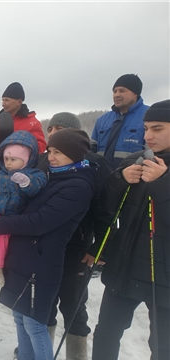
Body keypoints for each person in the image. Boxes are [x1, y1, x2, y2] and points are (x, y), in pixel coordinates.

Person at [0, 128, 95, 360]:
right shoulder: (51, 175)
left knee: (34, 324)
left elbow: (40, 222)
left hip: (41, 263)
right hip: (23, 257)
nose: (51, 157)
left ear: (75, 155)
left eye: (59, 152)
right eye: (50, 151)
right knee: (19, 318)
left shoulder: (77, 185)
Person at [92, 100, 170, 360]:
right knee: (105, 334)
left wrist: (161, 184)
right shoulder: (137, 159)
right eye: (146, 128)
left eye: (157, 128)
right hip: (124, 265)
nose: (148, 136)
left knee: (162, 347)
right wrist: (119, 180)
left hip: (164, 275)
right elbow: (105, 206)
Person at [37, 112, 113, 360]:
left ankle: (77, 355)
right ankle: (42, 351)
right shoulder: (43, 161)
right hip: (44, 244)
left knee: (73, 304)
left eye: (60, 128)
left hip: (77, 245)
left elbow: (105, 211)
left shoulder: (95, 165)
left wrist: (99, 247)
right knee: (42, 303)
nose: (54, 133)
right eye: (51, 128)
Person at [0, 130, 47, 289]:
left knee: (7, 242)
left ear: (27, 160)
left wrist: (26, 183)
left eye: (13, 159)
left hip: (15, 214)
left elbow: (37, 187)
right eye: (6, 159)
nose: (8, 163)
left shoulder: (36, 174)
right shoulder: (0, 175)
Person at [0, 82, 46, 176]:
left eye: (7, 100)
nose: (3, 104)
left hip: (17, 176)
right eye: (2, 100)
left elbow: (40, 148)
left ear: (19, 102)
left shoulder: (31, 123)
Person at [91, 74, 149, 169]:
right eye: (114, 91)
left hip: (133, 179)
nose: (117, 95)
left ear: (135, 93)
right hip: (102, 178)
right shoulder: (102, 120)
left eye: (122, 91)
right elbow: (90, 150)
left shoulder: (149, 117)